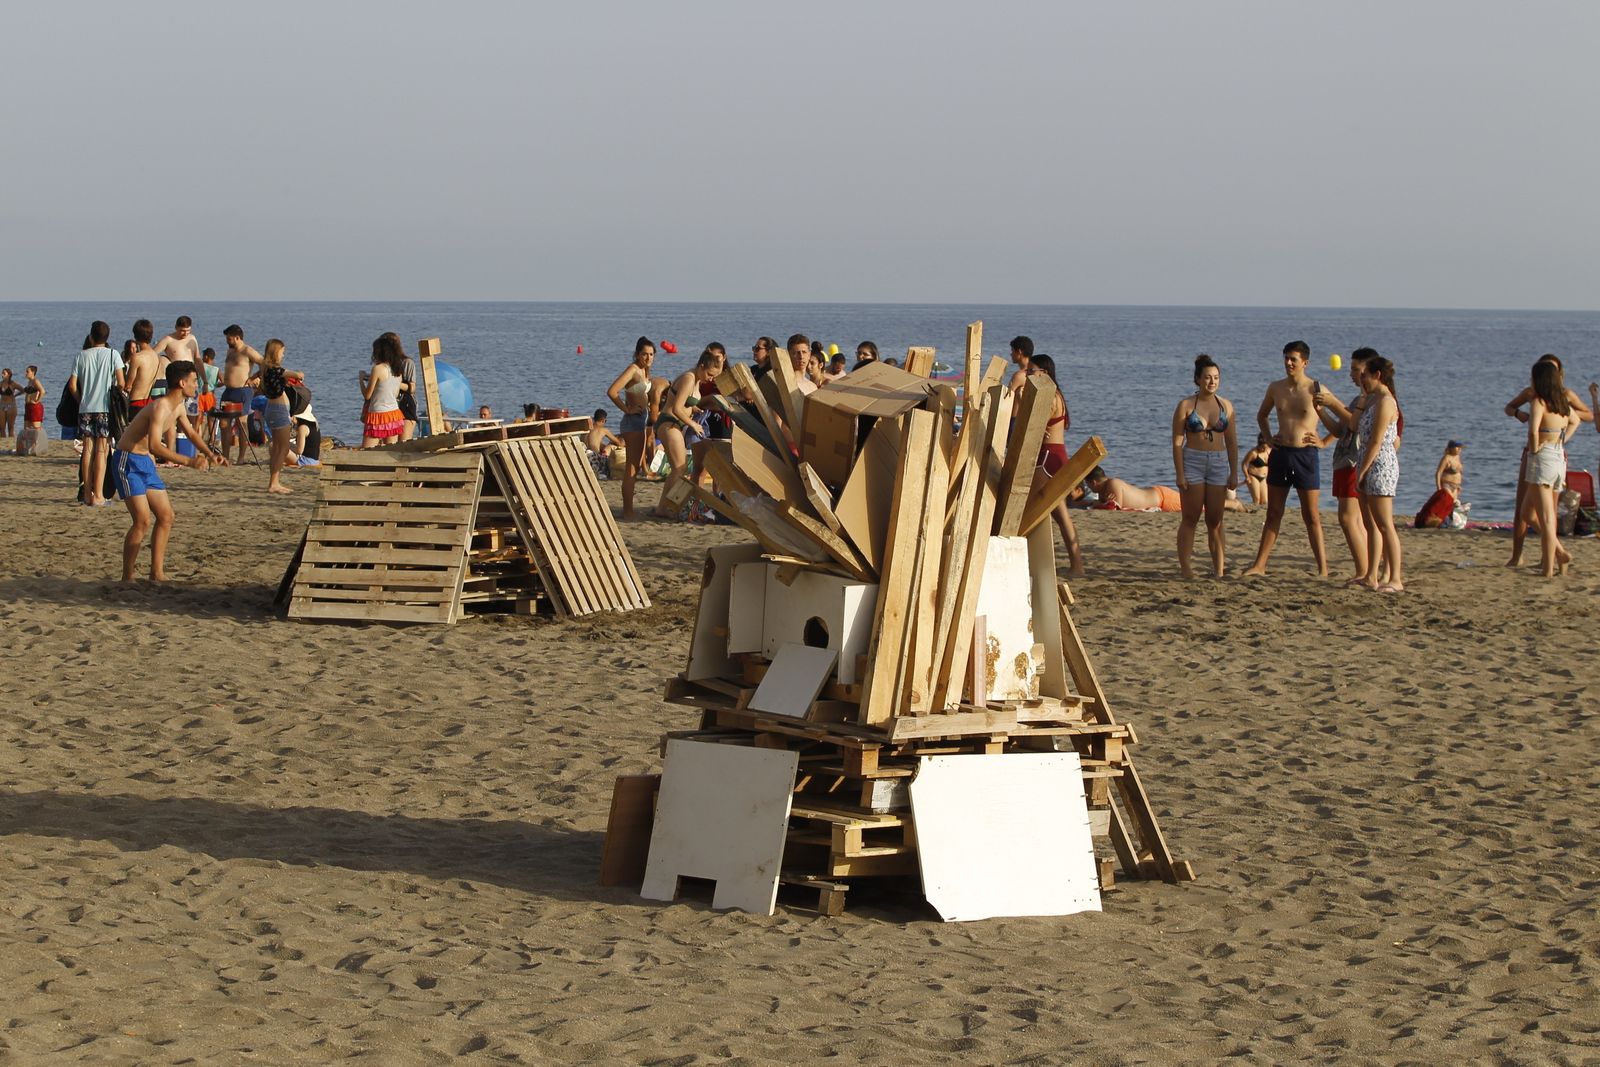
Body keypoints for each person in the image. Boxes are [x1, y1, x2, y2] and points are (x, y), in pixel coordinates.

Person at [113, 360, 226, 581]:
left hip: (144, 463)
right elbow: (156, 446)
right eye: (194, 381)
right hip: (128, 461)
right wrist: (190, 461)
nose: (197, 385)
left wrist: (211, 454)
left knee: (166, 516)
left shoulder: (179, 406)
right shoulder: (160, 406)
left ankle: (157, 572)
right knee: (142, 520)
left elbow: (192, 434)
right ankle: (127, 576)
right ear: (182, 383)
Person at [1242, 341, 1329, 577]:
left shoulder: (1315, 388)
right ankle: (1260, 565)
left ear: (1305, 362)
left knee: (1311, 515)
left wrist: (1324, 441)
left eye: (1294, 359)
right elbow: (1262, 415)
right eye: (1286, 358)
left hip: (1305, 456)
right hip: (1281, 454)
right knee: (1273, 512)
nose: (1288, 363)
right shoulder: (1276, 388)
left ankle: (1323, 569)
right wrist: (1269, 440)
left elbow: (1343, 420)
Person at [1504, 355, 1593, 567]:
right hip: (1537, 453)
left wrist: (1559, 419)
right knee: (1523, 508)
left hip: (1550, 452)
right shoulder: (1531, 394)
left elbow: (1586, 415)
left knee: (1547, 510)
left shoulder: (1564, 395)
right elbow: (1509, 408)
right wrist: (1519, 414)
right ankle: (1518, 555)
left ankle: (1549, 558)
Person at [1171, 354, 1239, 579]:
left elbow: (1231, 442)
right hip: (1193, 461)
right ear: (1198, 379)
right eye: (1208, 377)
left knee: (1215, 519)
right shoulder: (1186, 405)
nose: (1212, 382)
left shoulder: (1226, 406)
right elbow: (1178, 441)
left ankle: (1219, 569)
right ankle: (1186, 568)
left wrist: (1234, 472)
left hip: (1218, 463)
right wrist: (1180, 474)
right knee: (1190, 517)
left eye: (1216, 378)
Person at [1309, 348, 1375, 579]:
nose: (1351, 374)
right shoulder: (1360, 399)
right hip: (1344, 460)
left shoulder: (1371, 399)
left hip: (1354, 461)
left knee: (1349, 519)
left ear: (1369, 371)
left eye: (1355, 370)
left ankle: (1364, 572)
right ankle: (1366, 570)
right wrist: (1321, 410)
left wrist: (1333, 402)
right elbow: (1339, 429)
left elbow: (1357, 425)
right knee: (1354, 519)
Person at [1027, 355, 1085, 576]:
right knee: (1061, 515)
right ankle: (1077, 566)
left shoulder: (1049, 397)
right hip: (1058, 456)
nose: (1029, 375)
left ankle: (1032, 564)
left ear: (1045, 373)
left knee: (1029, 510)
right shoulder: (1058, 395)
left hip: (1047, 457)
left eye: (1032, 371)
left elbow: (1032, 427)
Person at [1350, 354, 1403, 591]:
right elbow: (1356, 428)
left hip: (1380, 464)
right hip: (1367, 461)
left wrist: (1362, 471)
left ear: (1377, 375)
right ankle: (1371, 575)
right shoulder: (1372, 400)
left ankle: (1395, 578)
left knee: (1385, 524)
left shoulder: (1386, 402)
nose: (1362, 379)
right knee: (1371, 523)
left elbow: (1376, 441)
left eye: (1365, 375)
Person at [1523, 359, 1579, 578]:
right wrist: (1562, 441)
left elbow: (1533, 430)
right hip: (1557, 456)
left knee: (1546, 517)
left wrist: (1535, 449)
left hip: (1542, 457)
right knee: (1528, 513)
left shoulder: (1540, 402)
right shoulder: (1561, 402)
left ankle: (1547, 568)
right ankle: (1560, 552)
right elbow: (1575, 421)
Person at [654, 348, 722, 517]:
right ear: (701, 366)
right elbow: (677, 408)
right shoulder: (688, 378)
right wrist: (693, 424)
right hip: (669, 422)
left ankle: (663, 507)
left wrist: (697, 410)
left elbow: (686, 403)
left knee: (679, 468)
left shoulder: (696, 379)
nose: (711, 379)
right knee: (679, 467)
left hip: (674, 424)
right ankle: (663, 509)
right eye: (710, 374)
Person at [68, 321, 127, 507]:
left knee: (87, 450)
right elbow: (121, 383)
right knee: (102, 450)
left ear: (91, 336)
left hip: (86, 407)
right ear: (107, 337)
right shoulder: (113, 354)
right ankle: (99, 495)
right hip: (105, 408)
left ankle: (86, 494)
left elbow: (72, 385)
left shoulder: (81, 356)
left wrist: (81, 399)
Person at [607, 337, 656, 520]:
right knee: (631, 468)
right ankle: (627, 511)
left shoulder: (645, 371)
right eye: (644, 354)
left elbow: (640, 393)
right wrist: (626, 409)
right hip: (632, 420)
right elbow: (612, 391)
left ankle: (629, 509)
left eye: (651, 354)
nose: (648, 357)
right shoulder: (633, 369)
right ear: (637, 354)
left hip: (640, 419)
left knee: (634, 467)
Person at [257, 339, 301, 494]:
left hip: (272, 408)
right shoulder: (275, 369)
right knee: (283, 447)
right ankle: (274, 483)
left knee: (277, 447)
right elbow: (295, 374)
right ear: (276, 352)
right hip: (278, 409)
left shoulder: (265, 368)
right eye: (282, 352)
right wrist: (298, 375)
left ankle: (273, 481)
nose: (283, 355)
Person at [218, 325, 262, 464]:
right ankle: (225, 456)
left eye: (229, 338)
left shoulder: (247, 351)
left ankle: (241, 457)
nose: (227, 341)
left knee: (241, 424)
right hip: (228, 392)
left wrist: (254, 377)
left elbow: (264, 363)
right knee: (224, 424)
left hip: (242, 391)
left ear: (237, 337)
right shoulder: (230, 351)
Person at [360, 333, 406, 447]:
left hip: (377, 414)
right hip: (393, 414)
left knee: (367, 453)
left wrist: (361, 380)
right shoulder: (397, 369)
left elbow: (367, 395)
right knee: (390, 451)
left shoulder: (377, 369)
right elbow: (395, 393)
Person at [1086, 468, 1183, 512]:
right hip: (1158, 498)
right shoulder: (1102, 491)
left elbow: (1114, 508)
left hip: (1162, 498)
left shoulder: (1113, 483)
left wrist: (1097, 505)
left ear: (1093, 482)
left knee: (1194, 506)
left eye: (1088, 484)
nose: (1088, 487)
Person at [16, 366, 46, 456]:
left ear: (33, 372)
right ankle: (28, 448)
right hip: (28, 407)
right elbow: (25, 391)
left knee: (35, 429)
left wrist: (37, 401)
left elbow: (42, 391)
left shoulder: (36, 381)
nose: (25, 373)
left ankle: (36, 447)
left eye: (27, 371)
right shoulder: (29, 382)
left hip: (35, 407)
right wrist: (15, 395)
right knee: (26, 428)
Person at [1242, 434, 1272, 505]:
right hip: (1253, 476)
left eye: (1265, 448)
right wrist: (1247, 476)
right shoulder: (1253, 453)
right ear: (1259, 444)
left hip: (1263, 478)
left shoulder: (1269, 451)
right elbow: (1244, 464)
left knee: (1265, 501)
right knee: (1257, 499)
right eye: (1262, 447)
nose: (1263, 449)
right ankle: (1254, 512)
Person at [0, 368, 17, 439]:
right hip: (2, 406)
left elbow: (22, 390)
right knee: (1, 427)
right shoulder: (0, 383)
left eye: (4, 373)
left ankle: (11, 442)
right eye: (2, 373)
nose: (2, 375)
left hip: (11, 406)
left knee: (10, 427)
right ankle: (3, 442)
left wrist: (16, 395)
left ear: (9, 375)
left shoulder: (13, 383)